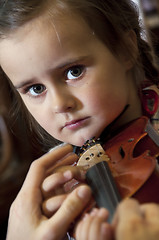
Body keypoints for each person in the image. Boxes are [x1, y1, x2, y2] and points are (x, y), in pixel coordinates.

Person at [0, 0, 159, 239]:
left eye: (73, 71)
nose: (58, 104)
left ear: (126, 49)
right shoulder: (59, 187)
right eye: (35, 89)